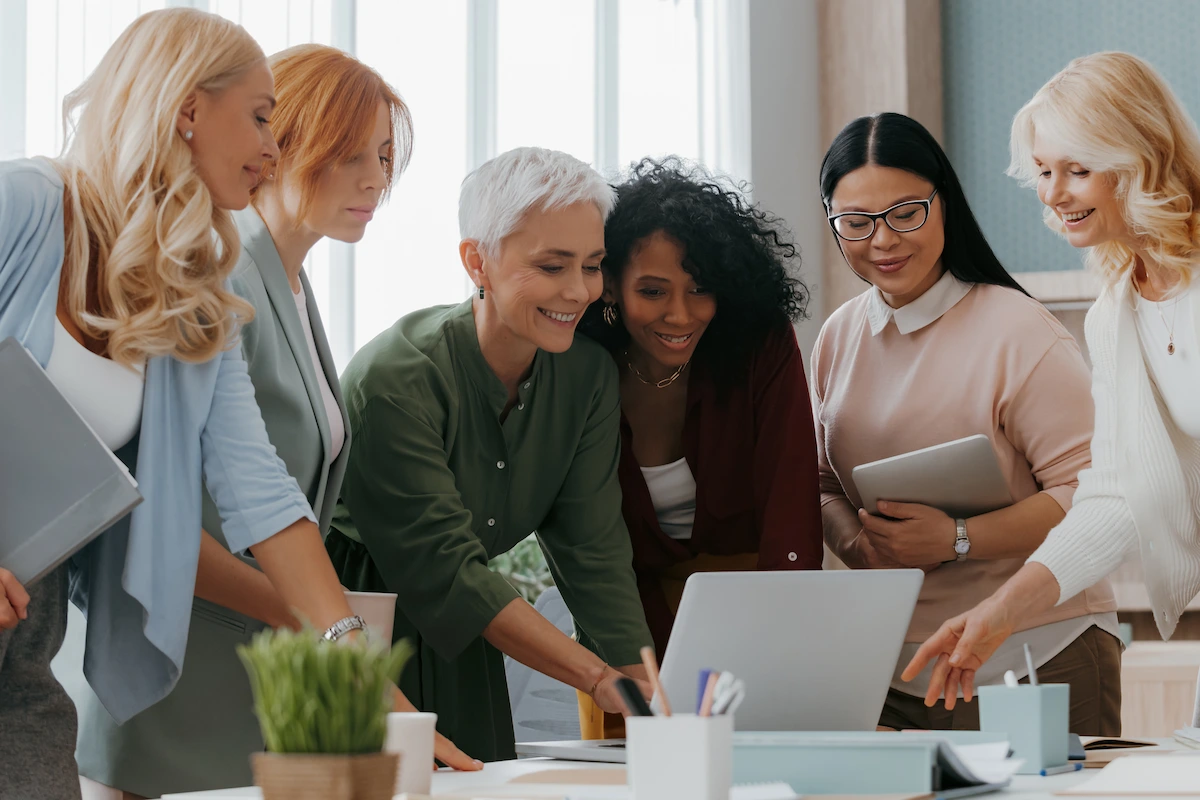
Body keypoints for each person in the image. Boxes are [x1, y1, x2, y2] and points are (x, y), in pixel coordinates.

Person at [0, 11, 373, 799]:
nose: (274, 149)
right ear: (188, 109)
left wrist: (351, 656)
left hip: (22, 645)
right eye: (263, 116)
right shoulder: (25, 206)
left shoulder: (192, 298)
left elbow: (260, 490)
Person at [326, 146, 655, 762]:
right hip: (362, 624)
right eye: (552, 266)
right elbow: (443, 567)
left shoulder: (585, 378)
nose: (578, 290)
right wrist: (596, 677)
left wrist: (640, 687)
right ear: (477, 260)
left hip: (476, 626)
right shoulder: (395, 378)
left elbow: (593, 548)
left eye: (591, 265)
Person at [908, 52, 1200, 711]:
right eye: (1044, 171)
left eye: (1078, 169)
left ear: (1141, 157)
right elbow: (1114, 499)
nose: (1053, 192)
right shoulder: (1116, 313)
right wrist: (1000, 612)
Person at [813, 112, 1121, 734]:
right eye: (856, 223)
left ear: (943, 204)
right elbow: (819, 483)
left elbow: (1093, 496)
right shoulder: (838, 335)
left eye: (906, 213)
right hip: (894, 671)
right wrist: (861, 547)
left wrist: (957, 538)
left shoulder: (1018, 330)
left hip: (1037, 654)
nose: (883, 240)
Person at [573, 158, 822, 737]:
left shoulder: (759, 343)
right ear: (609, 283)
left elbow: (792, 509)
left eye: (701, 289)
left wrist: (794, 655)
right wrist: (629, 663)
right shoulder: (579, 364)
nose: (680, 315)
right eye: (653, 291)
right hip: (624, 634)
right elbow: (582, 543)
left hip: (757, 623)